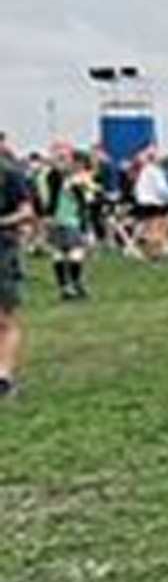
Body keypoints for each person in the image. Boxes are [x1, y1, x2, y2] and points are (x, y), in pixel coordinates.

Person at [0, 139, 35, 400]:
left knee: (5, 320)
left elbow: (26, 212)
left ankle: (4, 377)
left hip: (3, 253)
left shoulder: (10, 174)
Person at [44, 142, 96, 300]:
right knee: (75, 252)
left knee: (59, 253)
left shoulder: (53, 177)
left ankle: (65, 287)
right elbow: (87, 200)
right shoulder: (75, 179)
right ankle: (75, 285)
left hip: (55, 219)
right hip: (71, 219)